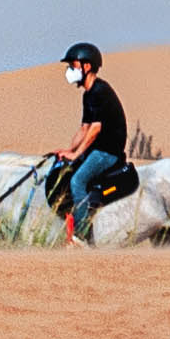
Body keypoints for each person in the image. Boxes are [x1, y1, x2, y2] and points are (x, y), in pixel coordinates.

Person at [47, 43, 130, 245]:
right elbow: (84, 129)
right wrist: (68, 150)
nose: (69, 71)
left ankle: (81, 235)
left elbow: (95, 129)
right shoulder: (89, 94)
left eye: (73, 65)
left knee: (77, 181)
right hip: (97, 149)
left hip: (107, 151)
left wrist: (76, 155)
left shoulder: (100, 91)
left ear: (87, 66)